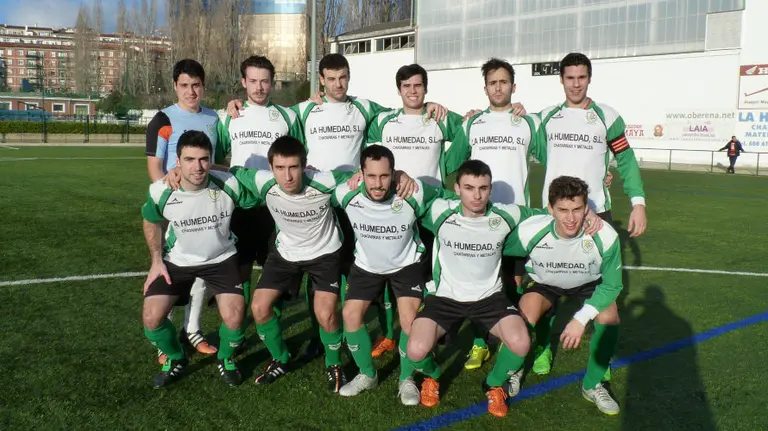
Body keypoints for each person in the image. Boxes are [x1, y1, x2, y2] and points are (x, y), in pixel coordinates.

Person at [226, 54, 447, 362]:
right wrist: (235, 104)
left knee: (369, 266)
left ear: (348, 77)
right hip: (312, 200)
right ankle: (322, 336)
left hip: (355, 198)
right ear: (321, 80)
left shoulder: (364, 108)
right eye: (331, 78)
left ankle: (382, 332)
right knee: (315, 269)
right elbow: (269, 117)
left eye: (342, 77)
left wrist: (430, 106)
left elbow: (405, 111)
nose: (337, 84)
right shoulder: (304, 110)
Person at [405, 160, 603, 417]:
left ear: (490, 189)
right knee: (415, 350)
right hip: (445, 297)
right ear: (457, 189)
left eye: (483, 188)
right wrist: (401, 175)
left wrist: (587, 214)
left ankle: (494, 384)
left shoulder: (506, 214)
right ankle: (432, 375)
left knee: (521, 343)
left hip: (490, 297)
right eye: (469, 187)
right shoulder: (440, 211)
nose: (477, 195)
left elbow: (551, 214)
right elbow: (414, 192)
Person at [227, 136, 418, 393]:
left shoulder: (325, 181)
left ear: (305, 166)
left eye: (294, 167)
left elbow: (370, 174)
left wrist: (401, 174)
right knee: (259, 307)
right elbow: (233, 172)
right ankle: (281, 358)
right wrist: (178, 171)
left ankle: (333, 363)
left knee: (325, 313)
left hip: (325, 254)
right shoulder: (262, 182)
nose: (288, 176)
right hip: (286, 253)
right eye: (280, 168)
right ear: (270, 168)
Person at [533, 52, 647, 375]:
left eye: (581, 77)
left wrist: (638, 202)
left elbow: (625, 160)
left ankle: (600, 363)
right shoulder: (545, 117)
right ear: (561, 80)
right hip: (552, 217)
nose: (575, 84)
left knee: (605, 297)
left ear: (589, 78)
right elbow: (522, 140)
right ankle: (543, 347)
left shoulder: (607, 117)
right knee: (546, 286)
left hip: (596, 217)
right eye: (569, 78)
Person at [444, 57, 546, 370]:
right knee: (480, 284)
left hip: (515, 221)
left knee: (516, 283)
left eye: (503, 82)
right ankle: (480, 344)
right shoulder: (472, 123)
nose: (498, 87)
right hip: (478, 220)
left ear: (513, 86)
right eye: (492, 82)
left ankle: (531, 344)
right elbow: (448, 164)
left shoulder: (528, 122)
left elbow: (553, 159)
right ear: (485, 87)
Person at [140, 130, 251, 388]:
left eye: (203, 159)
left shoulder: (228, 184)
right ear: (177, 162)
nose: (197, 166)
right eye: (189, 159)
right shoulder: (161, 190)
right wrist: (156, 260)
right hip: (178, 261)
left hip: (221, 258)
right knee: (151, 317)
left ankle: (226, 357)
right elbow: (151, 219)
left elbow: (264, 183)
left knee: (235, 317)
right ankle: (177, 357)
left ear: (210, 160)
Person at [334, 145, 444, 405]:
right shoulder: (345, 192)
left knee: (408, 322)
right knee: (350, 314)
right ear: (361, 173)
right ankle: (367, 374)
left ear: (393, 174)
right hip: (367, 265)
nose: (378, 183)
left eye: (384, 176)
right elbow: (313, 179)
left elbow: (449, 196)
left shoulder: (411, 192)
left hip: (406, 264)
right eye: (371, 176)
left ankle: (406, 379)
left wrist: (407, 176)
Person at [505, 175, 623, 415]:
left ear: (586, 208)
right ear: (550, 209)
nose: (571, 218)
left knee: (609, 317)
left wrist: (581, 319)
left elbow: (612, 285)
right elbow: (499, 249)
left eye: (577, 209)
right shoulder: (531, 230)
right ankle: (515, 367)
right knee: (524, 312)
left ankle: (593, 384)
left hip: (588, 283)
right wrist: (514, 278)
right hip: (545, 283)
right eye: (563, 210)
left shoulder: (606, 235)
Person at [144, 59, 221, 362]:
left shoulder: (214, 117)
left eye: (197, 85)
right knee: (172, 268)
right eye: (185, 85)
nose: (191, 91)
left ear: (204, 86)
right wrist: (169, 194)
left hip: (207, 205)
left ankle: (193, 331)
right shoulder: (162, 119)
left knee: (203, 268)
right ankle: (166, 340)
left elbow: (214, 163)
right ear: (175, 86)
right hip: (175, 207)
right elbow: (154, 168)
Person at [214, 55, 304, 312]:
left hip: (275, 205)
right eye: (253, 81)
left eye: (265, 81)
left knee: (273, 270)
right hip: (238, 205)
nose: (259, 87)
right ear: (243, 81)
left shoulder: (286, 116)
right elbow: (219, 158)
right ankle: (237, 327)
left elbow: (300, 155)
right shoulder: (230, 115)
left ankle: (269, 326)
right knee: (238, 270)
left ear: (273, 83)